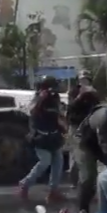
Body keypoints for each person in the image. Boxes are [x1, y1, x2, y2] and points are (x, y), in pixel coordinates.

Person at [19, 75, 67, 203]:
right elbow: (32, 113)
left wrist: (63, 127)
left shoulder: (55, 99)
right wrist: (41, 98)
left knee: (58, 163)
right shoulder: (38, 100)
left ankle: (53, 191)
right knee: (45, 162)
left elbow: (58, 115)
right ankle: (25, 184)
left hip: (54, 135)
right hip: (41, 136)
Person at [67, 69, 101, 187]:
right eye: (82, 79)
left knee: (89, 153)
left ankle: (88, 183)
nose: (84, 82)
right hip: (76, 125)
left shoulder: (93, 92)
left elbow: (97, 107)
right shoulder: (74, 91)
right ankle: (73, 180)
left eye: (86, 80)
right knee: (75, 154)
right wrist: (81, 95)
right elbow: (71, 107)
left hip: (88, 125)